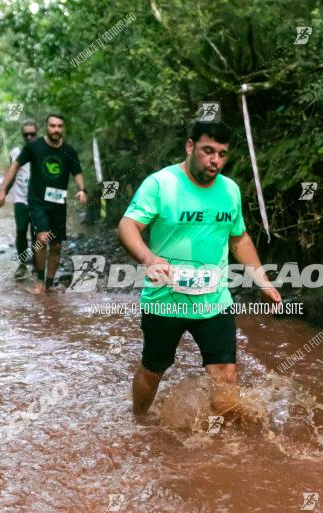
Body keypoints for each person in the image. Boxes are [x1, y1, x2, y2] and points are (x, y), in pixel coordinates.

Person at [117, 120, 282, 418]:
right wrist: (148, 258)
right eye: (208, 151)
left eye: (221, 153)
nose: (215, 160)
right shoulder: (160, 184)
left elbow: (239, 238)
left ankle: (222, 448)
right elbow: (128, 225)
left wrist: (263, 281)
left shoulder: (229, 190)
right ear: (190, 146)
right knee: (153, 370)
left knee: (225, 373)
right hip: (166, 299)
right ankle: (138, 420)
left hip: (214, 300)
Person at [0, 113, 87, 293]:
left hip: (58, 202)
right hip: (37, 201)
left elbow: (77, 171)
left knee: (57, 245)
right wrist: (3, 190)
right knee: (41, 238)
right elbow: (15, 165)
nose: (56, 130)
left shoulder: (69, 151)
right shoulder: (34, 147)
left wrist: (81, 189)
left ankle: (50, 283)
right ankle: (39, 279)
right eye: (52, 126)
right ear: (46, 127)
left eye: (59, 126)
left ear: (63, 129)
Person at [8, 121, 38, 280]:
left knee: (35, 233)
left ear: (37, 134)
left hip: (37, 200)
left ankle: (36, 264)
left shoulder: (43, 150)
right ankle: (22, 264)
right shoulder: (15, 152)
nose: (29, 137)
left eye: (32, 134)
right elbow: (11, 173)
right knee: (21, 230)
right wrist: (3, 192)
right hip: (20, 198)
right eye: (26, 134)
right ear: (22, 136)